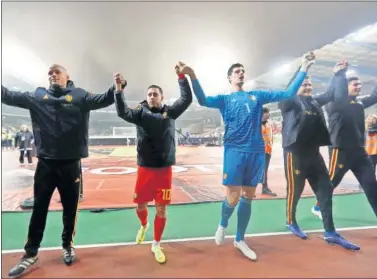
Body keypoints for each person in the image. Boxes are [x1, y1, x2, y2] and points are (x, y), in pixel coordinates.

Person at [2, 64, 126, 278]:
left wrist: (117, 87)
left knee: (70, 210)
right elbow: (7, 95)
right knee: (39, 209)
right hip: (46, 164)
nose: (53, 75)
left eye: (57, 72)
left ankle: (67, 245)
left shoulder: (79, 96)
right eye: (50, 73)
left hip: (70, 165)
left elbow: (104, 99)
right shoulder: (37, 95)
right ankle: (30, 253)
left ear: (67, 76)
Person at [188, 53, 315, 260]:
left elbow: (289, 92)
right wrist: (192, 76)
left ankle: (240, 239)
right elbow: (202, 100)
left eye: (243, 71)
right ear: (229, 78)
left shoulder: (256, 96)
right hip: (235, 151)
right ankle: (223, 224)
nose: (241, 73)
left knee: (248, 197)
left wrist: (303, 67)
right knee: (232, 197)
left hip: (255, 152)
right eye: (237, 71)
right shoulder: (224, 99)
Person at [114, 62, 192, 264]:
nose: (152, 96)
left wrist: (181, 78)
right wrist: (119, 90)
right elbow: (122, 112)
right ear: (146, 97)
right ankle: (144, 225)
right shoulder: (140, 112)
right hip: (145, 168)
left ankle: (156, 244)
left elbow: (186, 99)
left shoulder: (170, 112)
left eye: (155, 94)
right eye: (149, 94)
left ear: (162, 97)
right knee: (140, 205)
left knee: (161, 209)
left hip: (164, 169)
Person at [278, 61, 359, 250]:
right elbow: (291, 91)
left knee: (326, 190)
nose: (308, 87)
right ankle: (291, 221)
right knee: (295, 191)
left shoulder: (314, 101)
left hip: (314, 154)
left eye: (309, 84)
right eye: (304, 84)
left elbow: (331, 94)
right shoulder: (288, 102)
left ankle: (330, 232)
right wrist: (302, 70)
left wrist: (338, 74)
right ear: (296, 86)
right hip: (295, 153)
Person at [311, 70, 377, 220]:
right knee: (331, 182)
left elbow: (374, 97)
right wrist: (339, 76)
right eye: (355, 84)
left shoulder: (359, 102)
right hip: (340, 151)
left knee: (372, 185)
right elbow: (335, 95)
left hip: (360, 152)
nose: (359, 87)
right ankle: (317, 206)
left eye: (360, 84)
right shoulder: (334, 103)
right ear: (345, 87)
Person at [261, 107, 277, 196]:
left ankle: (265, 187)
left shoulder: (268, 124)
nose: (268, 114)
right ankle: (248, 189)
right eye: (266, 112)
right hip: (258, 151)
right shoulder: (256, 124)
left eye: (268, 112)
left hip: (267, 151)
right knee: (254, 170)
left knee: (264, 170)